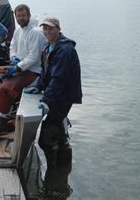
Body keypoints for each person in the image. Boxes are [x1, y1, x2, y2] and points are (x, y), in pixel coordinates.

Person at [0, 4, 46, 137]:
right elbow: (12, 46)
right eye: (18, 16)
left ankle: (2, 123)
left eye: (23, 15)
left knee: (4, 88)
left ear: (29, 15)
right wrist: (14, 59)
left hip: (32, 72)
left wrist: (18, 67)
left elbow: (34, 57)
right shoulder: (18, 30)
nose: (21, 18)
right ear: (15, 16)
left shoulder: (36, 32)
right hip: (18, 67)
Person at [26, 17, 82, 176]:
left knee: (45, 140)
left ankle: (55, 173)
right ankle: (63, 169)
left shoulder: (65, 50)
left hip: (62, 98)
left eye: (51, 29)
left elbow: (58, 78)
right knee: (58, 133)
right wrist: (38, 86)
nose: (47, 32)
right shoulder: (48, 47)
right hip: (55, 95)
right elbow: (46, 72)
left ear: (58, 29)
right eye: (45, 29)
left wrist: (46, 101)